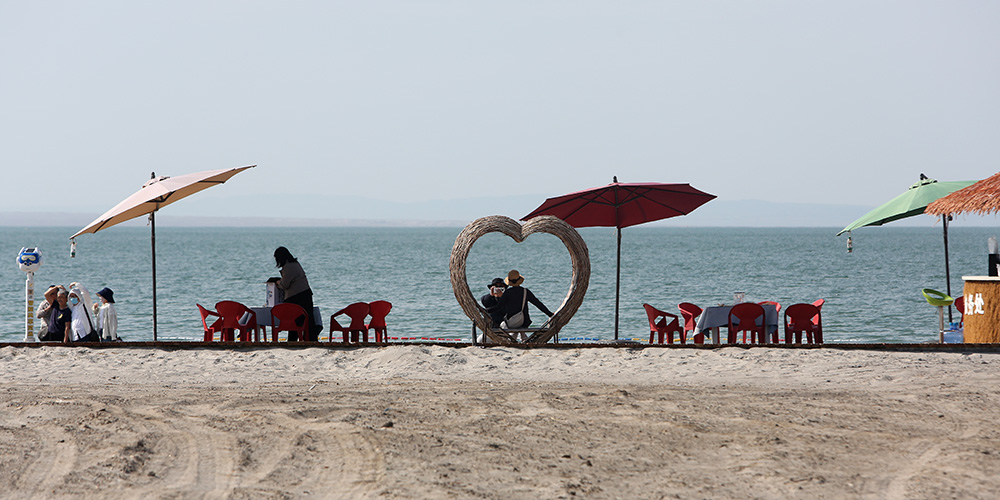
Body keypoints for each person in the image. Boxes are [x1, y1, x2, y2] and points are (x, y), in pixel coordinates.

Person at [488, 270, 554, 340]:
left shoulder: (507, 293)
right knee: (520, 325)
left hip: (511, 323)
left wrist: (486, 310)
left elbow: (498, 307)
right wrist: (550, 314)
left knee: (504, 324)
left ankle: (515, 339)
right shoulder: (525, 291)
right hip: (524, 322)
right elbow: (538, 304)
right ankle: (523, 337)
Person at [274, 246, 320, 341]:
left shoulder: (288, 267)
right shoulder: (295, 264)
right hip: (305, 294)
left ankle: (293, 340)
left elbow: (285, 285)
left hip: (296, 297)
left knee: (294, 320)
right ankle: (310, 339)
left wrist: (278, 283)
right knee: (308, 319)